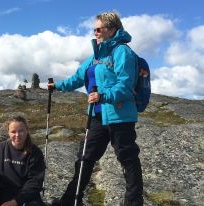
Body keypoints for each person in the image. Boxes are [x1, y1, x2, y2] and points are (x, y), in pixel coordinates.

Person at [49, 12, 143, 206]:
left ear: (112, 30)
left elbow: (125, 86)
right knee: (84, 158)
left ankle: (134, 202)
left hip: (120, 116)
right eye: (94, 29)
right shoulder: (96, 55)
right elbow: (77, 77)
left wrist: (103, 95)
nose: (95, 32)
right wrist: (57, 86)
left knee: (128, 160)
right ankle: (71, 200)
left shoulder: (122, 52)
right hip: (97, 116)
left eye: (98, 29)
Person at [0, 116, 46, 206]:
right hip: (4, 193)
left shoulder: (35, 152)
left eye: (21, 131)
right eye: (13, 132)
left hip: (27, 195)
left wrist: (16, 202)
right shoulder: (0, 148)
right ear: (8, 133)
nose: (17, 135)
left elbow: (35, 182)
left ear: (27, 131)